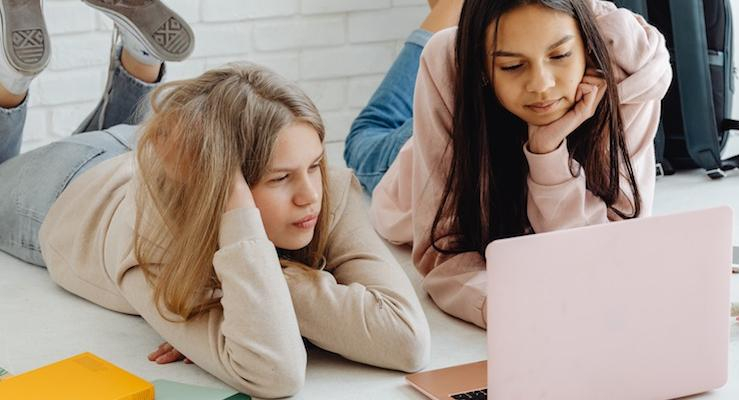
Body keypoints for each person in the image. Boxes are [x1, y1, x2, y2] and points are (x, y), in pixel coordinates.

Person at [0, 1, 429, 398]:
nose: (309, 196)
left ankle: (140, 56)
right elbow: (275, 372)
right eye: (280, 178)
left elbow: (407, 342)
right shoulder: (156, 237)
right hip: (69, 185)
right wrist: (244, 291)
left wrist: (250, 293)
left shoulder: (324, 192)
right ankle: (10, 81)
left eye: (315, 165)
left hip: (147, 146)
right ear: (225, 184)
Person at [345, 0, 672, 328]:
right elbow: (442, 258)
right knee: (363, 139)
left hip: (488, 97)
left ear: (587, 47)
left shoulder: (629, 68)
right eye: (512, 65)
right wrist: (513, 309)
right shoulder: (448, 61)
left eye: (559, 56)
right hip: (413, 154)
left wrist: (547, 151)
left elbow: (606, 254)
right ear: (484, 69)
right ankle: (450, 7)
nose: (541, 85)